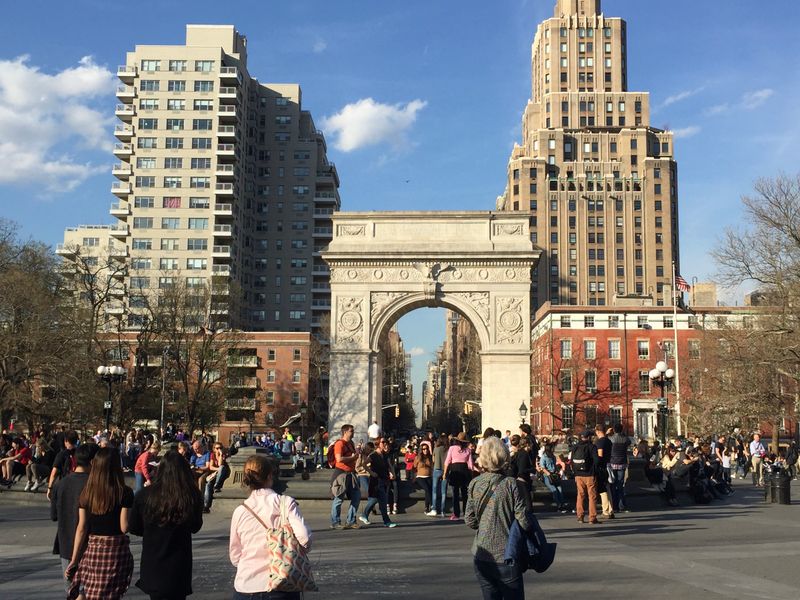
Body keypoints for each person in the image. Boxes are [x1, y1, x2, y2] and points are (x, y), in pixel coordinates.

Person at [230, 454, 312, 599]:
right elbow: (304, 538)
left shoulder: (240, 511)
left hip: (246, 585)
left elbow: (235, 555)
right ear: (270, 475)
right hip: (281, 584)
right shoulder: (285, 503)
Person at [129, 450, 204, 600]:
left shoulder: (144, 495)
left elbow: (134, 527)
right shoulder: (191, 495)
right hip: (179, 563)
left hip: (154, 558)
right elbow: (195, 526)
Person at [65, 447, 134, 600]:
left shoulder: (87, 492)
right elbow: (124, 527)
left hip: (94, 550)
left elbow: (81, 528)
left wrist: (75, 559)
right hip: (116, 552)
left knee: (91, 591)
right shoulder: (125, 492)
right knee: (111, 593)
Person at [465, 437, 530, 600]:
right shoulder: (511, 484)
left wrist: (486, 523)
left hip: (482, 554)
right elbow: (523, 521)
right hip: (506, 554)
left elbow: (470, 520)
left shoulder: (475, 483)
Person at [51, 443, 98, 594]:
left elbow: (54, 516)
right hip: (91, 545)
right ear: (93, 462)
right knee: (90, 590)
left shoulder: (60, 484)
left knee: (72, 590)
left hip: (66, 543)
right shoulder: (95, 485)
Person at [359, 437, 397, 527]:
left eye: (385, 442)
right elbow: (364, 464)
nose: (385, 444)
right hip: (376, 481)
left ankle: (364, 515)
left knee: (375, 500)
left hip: (384, 480)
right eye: (383, 442)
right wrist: (371, 472)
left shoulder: (385, 455)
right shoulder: (373, 455)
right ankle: (386, 521)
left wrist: (393, 473)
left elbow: (389, 465)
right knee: (383, 501)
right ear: (378, 444)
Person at [329, 424, 360, 529]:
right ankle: (335, 522)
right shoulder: (339, 444)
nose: (353, 432)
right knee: (338, 499)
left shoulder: (351, 443)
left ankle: (351, 520)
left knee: (356, 497)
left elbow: (353, 457)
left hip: (351, 474)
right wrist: (352, 458)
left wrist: (357, 455)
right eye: (351, 431)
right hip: (341, 474)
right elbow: (339, 459)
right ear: (345, 432)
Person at [443, 432, 475, 521]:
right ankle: (466, 513)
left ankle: (456, 514)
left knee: (455, 494)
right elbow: (471, 465)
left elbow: (447, 461)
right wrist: (471, 476)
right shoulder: (468, 450)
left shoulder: (452, 448)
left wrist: (445, 473)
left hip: (455, 471)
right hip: (465, 471)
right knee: (465, 494)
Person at [571, 430, 600, 524]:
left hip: (578, 475)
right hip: (590, 474)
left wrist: (575, 473)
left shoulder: (575, 447)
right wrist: (595, 471)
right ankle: (592, 517)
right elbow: (596, 461)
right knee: (592, 496)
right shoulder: (592, 447)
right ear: (589, 437)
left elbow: (572, 461)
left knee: (580, 495)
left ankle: (580, 516)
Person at [47, 430, 78, 500]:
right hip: (78, 485)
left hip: (65, 485)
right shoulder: (81, 453)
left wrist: (50, 488)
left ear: (66, 441)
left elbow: (54, 472)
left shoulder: (61, 454)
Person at [608, 423, 631, 513]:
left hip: (613, 462)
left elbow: (605, 440)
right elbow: (629, 441)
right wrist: (623, 433)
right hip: (622, 462)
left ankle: (614, 504)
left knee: (613, 484)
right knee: (620, 484)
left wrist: (608, 433)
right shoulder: (625, 439)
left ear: (614, 429)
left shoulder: (611, 439)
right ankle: (621, 504)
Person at [539, 443, 567, 512]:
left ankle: (562, 504)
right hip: (547, 476)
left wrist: (557, 472)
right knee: (554, 490)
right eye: (552, 448)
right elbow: (542, 467)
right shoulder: (544, 457)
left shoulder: (553, 456)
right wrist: (548, 474)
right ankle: (559, 506)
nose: (553, 449)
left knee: (560, 489)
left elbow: (554, 465)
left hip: (554, 475)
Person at [593, 425, 613, 519]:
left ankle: (605, 511)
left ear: (597, 431)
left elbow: (600, 455)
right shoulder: (608, 441)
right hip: (608, 465)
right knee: (608, 488)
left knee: (602, 490)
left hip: (602, 467)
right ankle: (611, 510)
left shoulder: (600, 442)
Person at [414, 443, 434, 514]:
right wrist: (413, 477)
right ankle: (432, 505)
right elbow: (414, 467)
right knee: (427, 489)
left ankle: (426, 508)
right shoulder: (418, 457)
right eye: (423, 449)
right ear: (421, 450)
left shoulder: (430, 457)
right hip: (420, 477)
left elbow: (432, 466)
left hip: (428, 476)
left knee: (429, 490)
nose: (425, 450)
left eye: (426, 449)